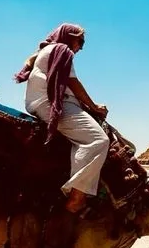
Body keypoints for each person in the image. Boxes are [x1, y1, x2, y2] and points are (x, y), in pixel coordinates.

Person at [15, 23, 110, 213]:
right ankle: (77, 197)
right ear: (69, 37)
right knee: (98, 140)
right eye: (80, 41)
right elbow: (72, 83)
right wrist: (94, 106)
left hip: (39, 103)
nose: (81, 47)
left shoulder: (46, 51)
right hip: (52, 105)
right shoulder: (61, 49)